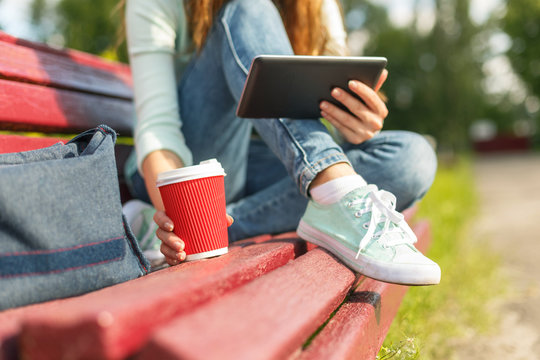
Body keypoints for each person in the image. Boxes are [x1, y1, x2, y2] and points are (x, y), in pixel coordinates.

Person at [123, 0, 441, 285]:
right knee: (248, 8)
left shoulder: (315, 6)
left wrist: (356, 123)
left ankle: (222, 226)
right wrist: (180, 209)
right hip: (186, 170)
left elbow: (324, 118)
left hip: (265, 160)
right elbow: (158, 130)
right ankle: (333, 191)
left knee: (411, 159)